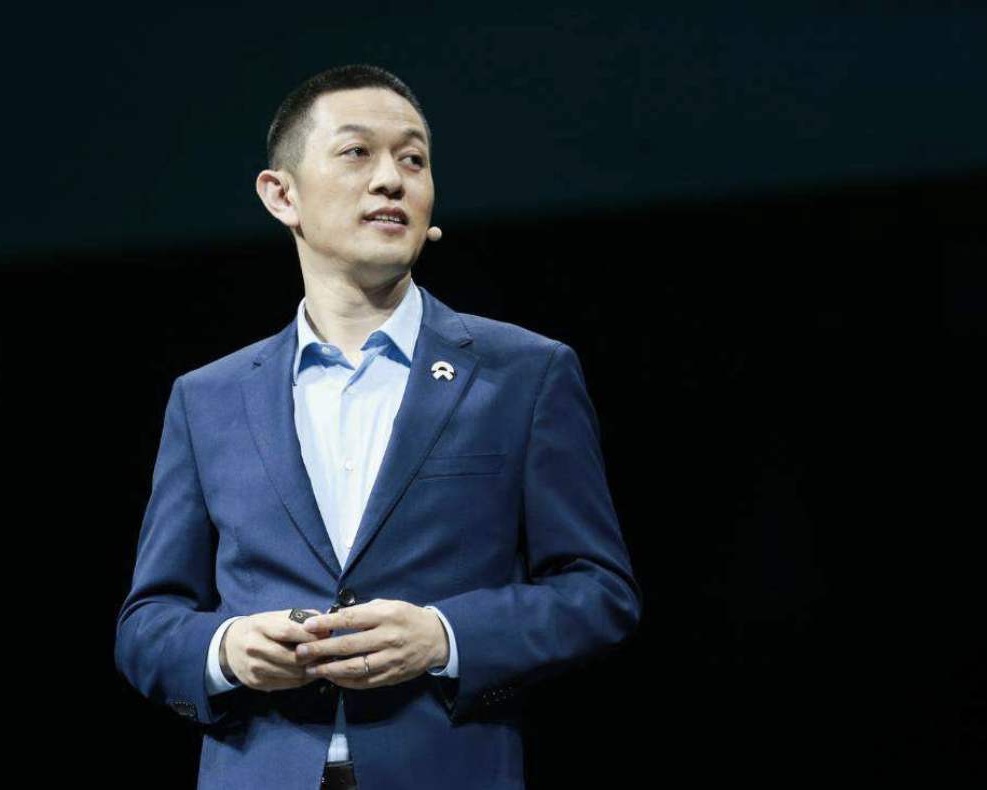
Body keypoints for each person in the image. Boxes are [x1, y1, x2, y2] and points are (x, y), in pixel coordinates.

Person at [113, 64, 643, 790]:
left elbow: (599, 592)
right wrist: (225, 649)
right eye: (357, 152)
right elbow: (147, 623)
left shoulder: (525, 373)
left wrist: (444, 637)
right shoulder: (208, 399)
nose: (391, 179)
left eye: (413, 159)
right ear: (282, 195)